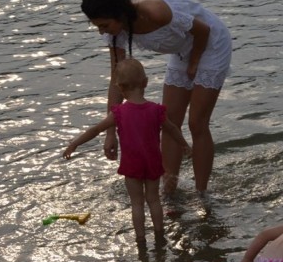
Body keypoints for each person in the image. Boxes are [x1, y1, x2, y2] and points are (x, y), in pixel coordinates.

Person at [80, 0, 232, 196]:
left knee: (197, 122)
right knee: (169, 119)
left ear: (120, 13)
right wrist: (110, 132)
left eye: (104, 25)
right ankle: (170, 190)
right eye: (98, 27)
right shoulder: (116, 33)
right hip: (182, 49)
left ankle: (202, 193)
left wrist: (194, 62)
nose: (102, 31)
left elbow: (202, 30)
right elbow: (117, 78)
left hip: (210, 43)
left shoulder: (154, 11)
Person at [63, 58, 191, 246]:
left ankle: (140, 239)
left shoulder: (119, 112)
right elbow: (172, 129)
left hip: (132, 164)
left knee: (137, 203)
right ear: (145, 83)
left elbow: (95, 130)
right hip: (153, 162)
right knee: (154, 200)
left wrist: (75, 143)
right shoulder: (156, 111)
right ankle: (159, 234)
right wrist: (184, 145)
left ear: (120, 89)